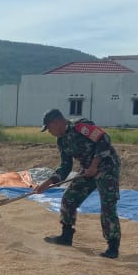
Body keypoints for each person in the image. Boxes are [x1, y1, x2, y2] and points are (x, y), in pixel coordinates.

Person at [31, 108, 122, 259]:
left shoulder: (80, 128)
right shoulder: (62, 141)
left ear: (57, 122)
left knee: (107, 205)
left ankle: (113, 246)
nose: (49, 132)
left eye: (49, 128)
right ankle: (66, 236)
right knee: (69, 198)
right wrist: (47, 183)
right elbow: (65, 166)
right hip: (87, 170)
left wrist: (94, 165)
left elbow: (104, 139)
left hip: (107, 167)